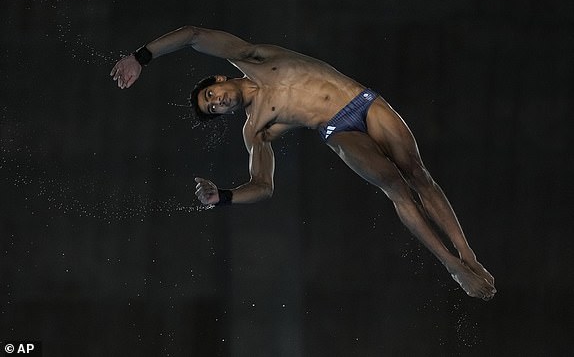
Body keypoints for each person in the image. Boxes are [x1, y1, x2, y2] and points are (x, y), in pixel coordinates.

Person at [110, 25, 496, 300]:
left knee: (417, 173)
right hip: (338, 130)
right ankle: (452, 265)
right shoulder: (256, 127)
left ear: (220, 77)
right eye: (212, 108)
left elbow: (193, 35)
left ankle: (469, 256)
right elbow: (263, 185)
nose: (218, 102)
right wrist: (223, 197)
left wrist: (141, 56)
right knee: (394, 184)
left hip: (361, 101)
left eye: (212, 94)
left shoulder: (254, 56)